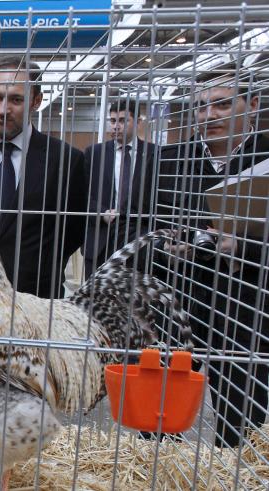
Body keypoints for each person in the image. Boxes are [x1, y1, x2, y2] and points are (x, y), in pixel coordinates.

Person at [156, 64, 268, 448]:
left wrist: (244, 246)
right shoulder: (171, 159)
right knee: (156, 414)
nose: (208, 117)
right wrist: (168, 244)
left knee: (244, 422)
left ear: (251, 104)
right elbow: (145, 223)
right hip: (178, 305)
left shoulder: (265, 156)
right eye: (201, 108)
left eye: (221, 105)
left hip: (246, 310)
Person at [0, 57, 87, 299]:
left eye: (16, 100)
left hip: (35, 297)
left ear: (36, 101)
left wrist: (41, 263)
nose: (2, 110)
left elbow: (74, 230)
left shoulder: (65, 160)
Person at [82, 100, 158, 275]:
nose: (116, 126)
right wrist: (102, 213)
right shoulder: (95, 154)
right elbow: (82, 196)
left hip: (139, 240)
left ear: (138, 122)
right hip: (101, 241)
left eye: (123, 121)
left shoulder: (155, 154)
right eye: (113, 121)